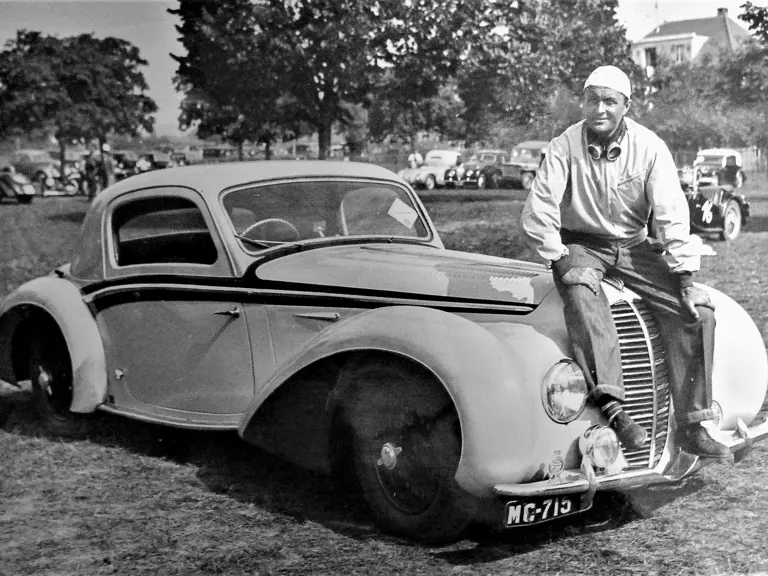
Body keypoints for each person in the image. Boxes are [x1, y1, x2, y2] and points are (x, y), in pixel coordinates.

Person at [521, 65, 730, 458]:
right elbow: (539, 211)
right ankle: (615, 410)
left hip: (634, 246)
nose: (599, 109)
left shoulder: (650, 146)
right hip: (581, 242)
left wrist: (684, 275)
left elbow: (671, 212)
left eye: (609, 101)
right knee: (582, 291)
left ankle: (692, 423)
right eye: (592, 99)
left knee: (697, 312)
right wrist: (561, 258)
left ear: (626, 106)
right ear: (582, 102)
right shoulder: (564, 145)